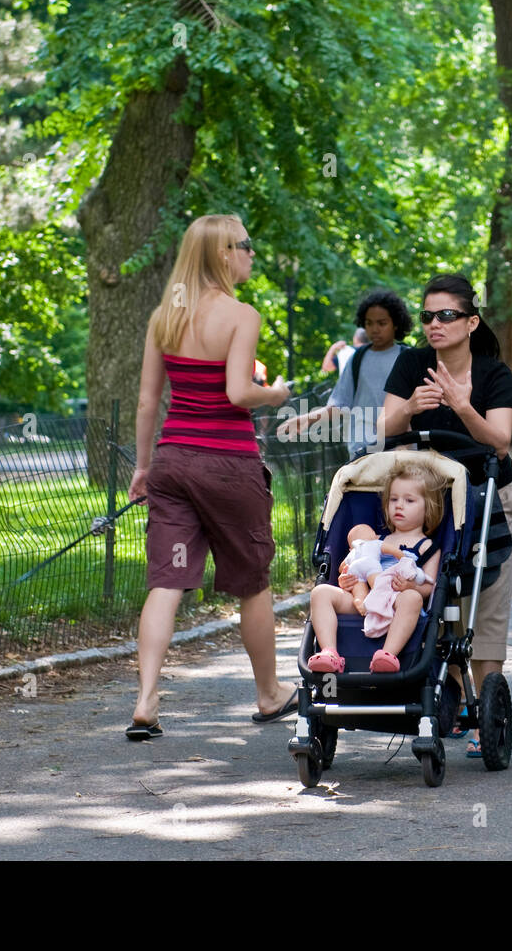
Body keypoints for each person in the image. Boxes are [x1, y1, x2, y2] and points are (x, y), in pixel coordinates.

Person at [126, 214, 296, 739]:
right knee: (252, 582)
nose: (251, 253)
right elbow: (238, 394)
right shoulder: (242, 316)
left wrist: (143, 467)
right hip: (227, 466)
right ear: (224, 253)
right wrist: (278, 393)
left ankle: (147, 699)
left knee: (167, 581)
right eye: (245, 245)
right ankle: (269, 694)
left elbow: (148, 400)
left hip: (173, 463)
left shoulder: (164, 318)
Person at [377, 273, 512, 758]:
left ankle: (486, 716)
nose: (434, 324)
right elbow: (384, 429)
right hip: (426, 497)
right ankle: (451, 700)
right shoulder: (412, 363)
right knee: (436, 597)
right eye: (428, 316)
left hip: (486, 492)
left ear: (470, 322)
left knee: (483, 603)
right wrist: (411, 409)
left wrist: (462, 407)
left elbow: (499, 440)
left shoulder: (494, 373)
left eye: (446, 316)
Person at [307, 463, 444, 674]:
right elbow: (356, 566)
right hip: (364, 600)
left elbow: (430, 587)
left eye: (409, 501)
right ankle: (329, 652)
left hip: (396, 602)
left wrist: (411, 587)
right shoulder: (375, 540)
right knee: (320, 592)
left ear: (429, 507)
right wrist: (347, 581)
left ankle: (387, 655)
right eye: (393, 499)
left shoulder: (428, 547)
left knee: (413, 599)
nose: (399, 506)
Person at [277, 290, 412, 457]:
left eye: (382, 323)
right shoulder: (357, 359)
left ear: (396, 324)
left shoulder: (408, 358)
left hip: (401, 449)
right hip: (362, 449)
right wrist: (306, 418)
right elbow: (340, 405)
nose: (374, 329)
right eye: (369, 323)